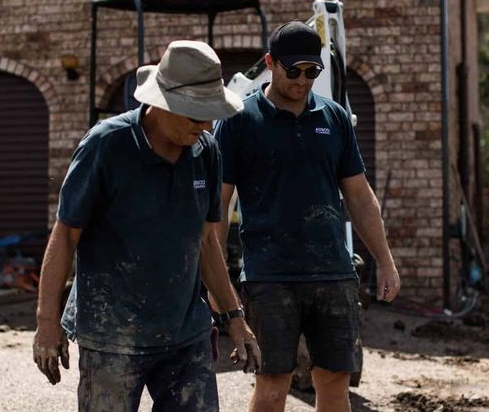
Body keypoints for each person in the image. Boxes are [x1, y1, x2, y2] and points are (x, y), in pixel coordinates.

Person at [32, 40, 261, 412]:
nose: (206, 125)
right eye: (195, 115)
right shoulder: (106, 146)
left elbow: (205, 242)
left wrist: (235, 318)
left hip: (186, 333)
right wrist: (46, 322)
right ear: (161, 103)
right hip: (113, 337)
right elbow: (65, 235)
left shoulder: (206, 151)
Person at [214, 21, 400, 412]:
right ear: (270, 63)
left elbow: (360, 197)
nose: (303, 79)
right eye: (293, 70)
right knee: (272, 383)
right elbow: (219, 206)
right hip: (270, 275)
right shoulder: (238, 122)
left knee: (334, 380)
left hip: (333, 273)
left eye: (312, 71)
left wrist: (384, 259)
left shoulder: (333, 118)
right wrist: (217, 285)